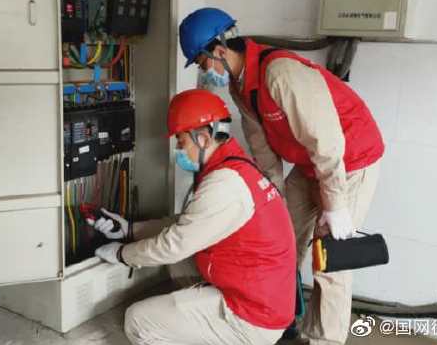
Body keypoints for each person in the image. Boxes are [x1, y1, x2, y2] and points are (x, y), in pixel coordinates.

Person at [178, 8, 385, 345]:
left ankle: (324, 340)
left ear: (218, 50)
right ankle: (280, 320)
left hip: (348, 161)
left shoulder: (280, 73)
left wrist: (335, 206)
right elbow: (262, 147)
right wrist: (272, 198)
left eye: (202, 63)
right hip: (310, 164)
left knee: (330, 257)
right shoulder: (240, 86)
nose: (204, 73)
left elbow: (327, 142)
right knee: (281, 239)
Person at [92, 88, 297, 345]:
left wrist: (123, 254)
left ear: (203, 139)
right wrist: (129, 229)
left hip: (252, 316)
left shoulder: (225, 184)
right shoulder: (234, 165)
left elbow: (173, 245)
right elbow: (186, 225)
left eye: (181, 142)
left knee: (138, 320)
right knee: (181, 260)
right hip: (259, 293)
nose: (179, 150)